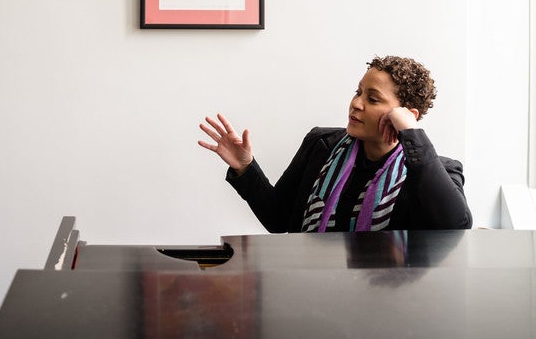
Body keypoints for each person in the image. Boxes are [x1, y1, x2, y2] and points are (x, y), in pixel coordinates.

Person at [198, 56, 472, 232]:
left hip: (388, 307)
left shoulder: (435, 171)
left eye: (373, 99)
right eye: (358, 92)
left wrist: (411, 132)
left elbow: (455, 227)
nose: (356, 103)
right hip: (311, 296)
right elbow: (279, 220)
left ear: (406, 116)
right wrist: (246, 167)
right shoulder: (321, 144)